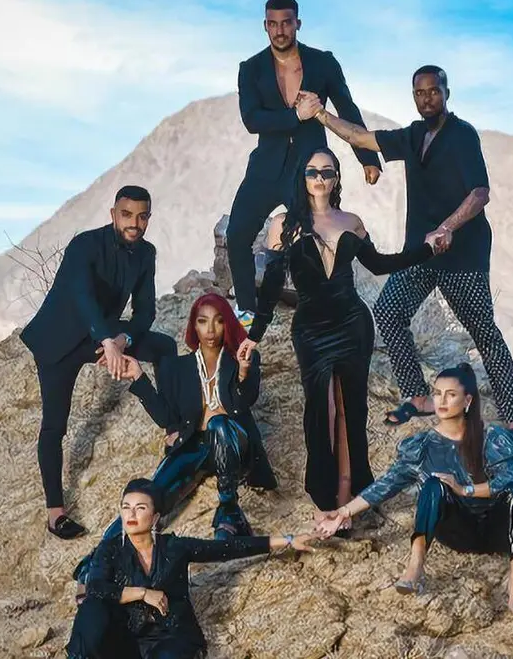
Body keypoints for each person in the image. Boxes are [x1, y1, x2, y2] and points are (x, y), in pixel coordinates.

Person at [307, 65, 513, 431]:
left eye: (434, 91)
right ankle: (417, 395)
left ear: (446, 93)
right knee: (389, 311)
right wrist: (321, 115)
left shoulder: (462, 135)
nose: (427, 99)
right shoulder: (412, 135)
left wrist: (447, 227)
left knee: (484, 333)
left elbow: (480, 193)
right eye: (420, 93)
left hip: (462, 256)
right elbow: (361, 138)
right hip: (421, 252)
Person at [234, 147, 439, 522]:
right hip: (311, 329)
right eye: (312, 172)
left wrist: (427, 249)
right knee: (321, 411)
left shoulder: (352, 221)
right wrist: (254, 334)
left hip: (352, 324)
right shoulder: (283, 224)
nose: (319, 178)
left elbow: (380, 264)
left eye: (327, 172)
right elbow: (272, 285)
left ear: (337, 178)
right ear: (302, 177)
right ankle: (324, 500)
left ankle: (352, 498)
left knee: (352, 411)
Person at [71, 292, 281, 591]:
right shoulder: (178, 367)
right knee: (150, 495)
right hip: (194, 444)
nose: (210, 330)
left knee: (220, 423)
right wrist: (139, 378)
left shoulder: (242, 358)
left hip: (234, 442)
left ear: (228, 324)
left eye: (219, 321)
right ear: (193, 326)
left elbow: (241, 403)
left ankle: (229, 512)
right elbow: (166, 417)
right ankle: (98, 560)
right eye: (203, 322)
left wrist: (245, 372)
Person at [19, 185, 178, 539]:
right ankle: (56, 514)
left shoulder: (146, 254)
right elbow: (82, 297)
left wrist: (123, 340)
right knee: (54, 426)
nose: (134, 223)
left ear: (148, 218)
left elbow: (146, 312)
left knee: (165, 347)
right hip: (59, 340)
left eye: (142, 216)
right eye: (126, 215)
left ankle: (174, 429)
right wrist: (107, 340)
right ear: (113, 215)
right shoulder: (84, 245)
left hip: (103, 337)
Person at [314, 364, 513, 616]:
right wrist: (343, 512)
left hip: (496, 530)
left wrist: (465, 489)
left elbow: (506, 480)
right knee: (433, 485)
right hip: (457, 530)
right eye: (437, 393)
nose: (442, 400)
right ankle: (415, 565)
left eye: (451, 394)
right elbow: (386, 484)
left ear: (468, 400)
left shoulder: (493, 438)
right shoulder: (423, 446)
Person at [227, 0, 382, 330]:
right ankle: (247, 313)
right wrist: (296, 116)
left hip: (310, 169)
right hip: (266, 168)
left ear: (297, 23)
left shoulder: (322, 63)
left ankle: (331, 308)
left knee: (322, 239)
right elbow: (252, 119)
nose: (280, 30)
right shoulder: (250, 69)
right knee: (237, 234)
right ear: (265, 26)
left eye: (286, 22)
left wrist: (367, 158)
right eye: (273, 24)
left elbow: (347, 108)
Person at [66, 478, 317, 659]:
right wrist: (142, 593)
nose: (131, 514)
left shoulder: (175, 547)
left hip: (171, 635)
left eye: (140, 508)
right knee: (92, 609)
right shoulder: (110, 549)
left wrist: (287, 540)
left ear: (155, 517)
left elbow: (227, 549)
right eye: (126, 507)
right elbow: (96, 588)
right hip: (128, 638)